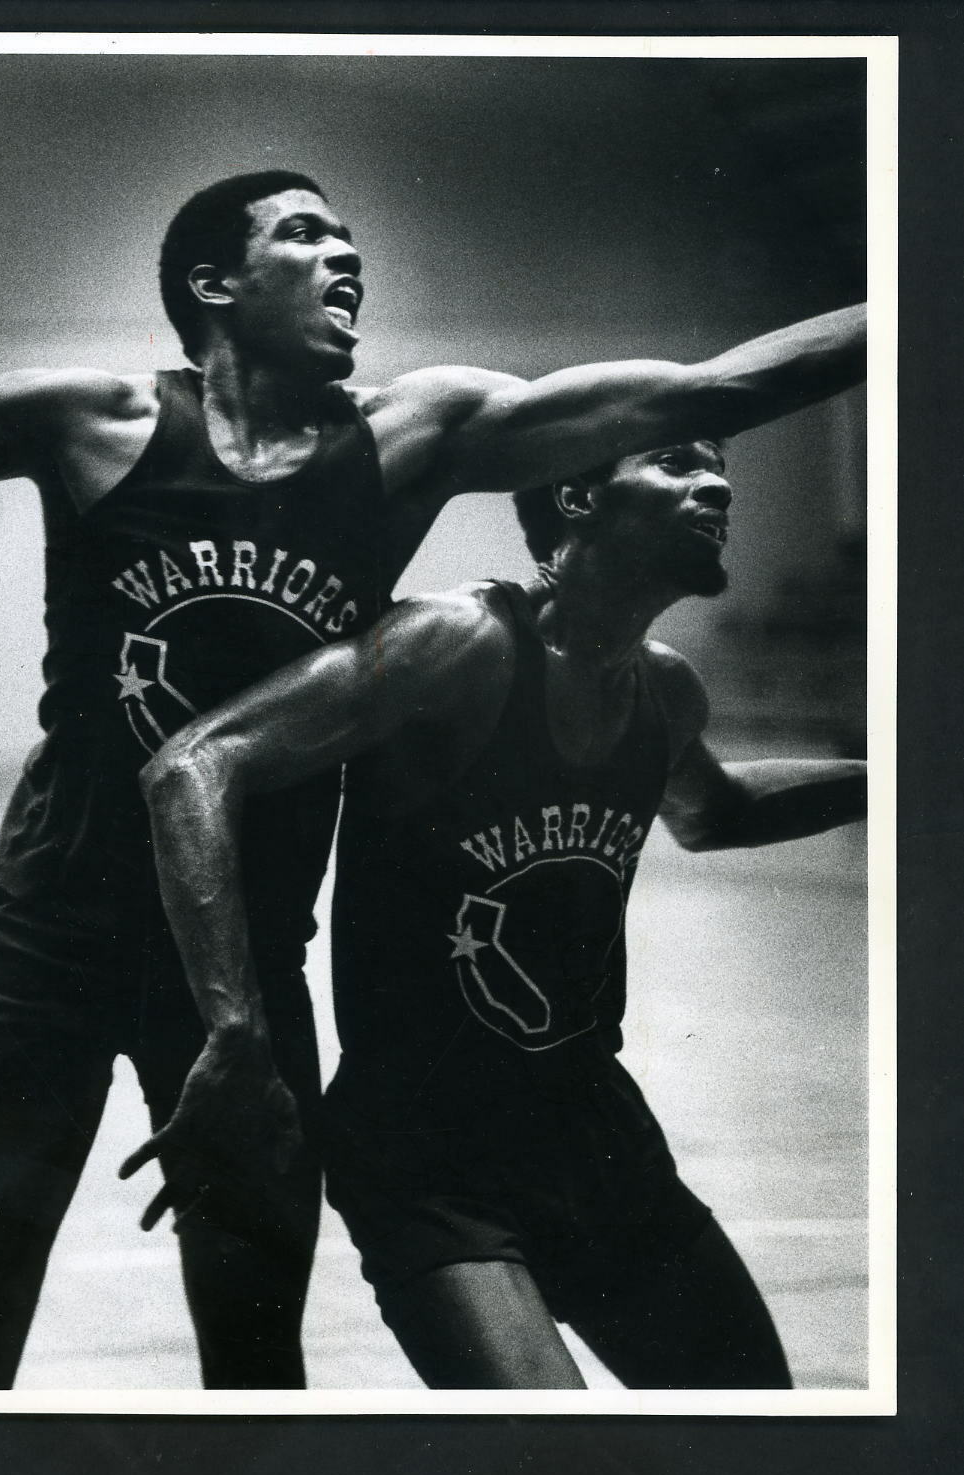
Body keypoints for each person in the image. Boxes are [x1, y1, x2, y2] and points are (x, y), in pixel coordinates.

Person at [0, 167, 866, 1390]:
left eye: (351, 238)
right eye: (303, 235)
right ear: (213, 284)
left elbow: (717, 386)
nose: (345, 255)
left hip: (243, 961)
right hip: (51, 942)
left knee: (254, 1362)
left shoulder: (409, 437)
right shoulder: (92, 420)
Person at [132, 435, 867, 1389]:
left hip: (593, 1129)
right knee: (554, 1458)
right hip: (428, 1153)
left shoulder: (665, 688)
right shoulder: (458, 644)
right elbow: (191, 765)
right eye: (679, 460)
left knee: (758, 1429)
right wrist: (235, 1032)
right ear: (575, 496)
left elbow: (712, 810)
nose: (719, 481)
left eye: (719, 461)